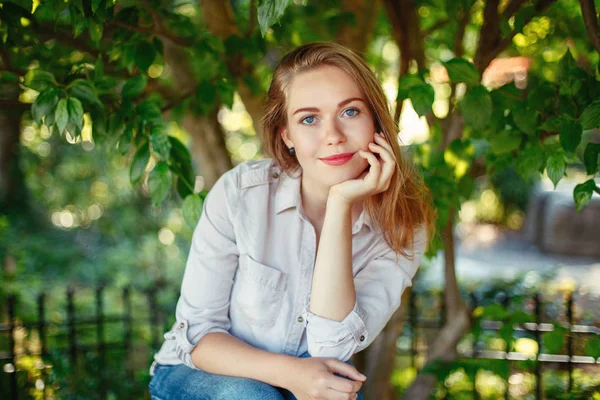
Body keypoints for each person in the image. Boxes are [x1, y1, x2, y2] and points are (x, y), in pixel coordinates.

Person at [148, 41, 435, 400]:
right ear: (287, 135)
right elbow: (200, 339)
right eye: (309, 119)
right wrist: (291, 373)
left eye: (350, 112)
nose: (332, 136)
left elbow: (331, 346)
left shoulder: (403, 225)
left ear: (375, 120)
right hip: (196, 373)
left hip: (308, 381)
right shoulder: (242, 194)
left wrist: (340, 203)